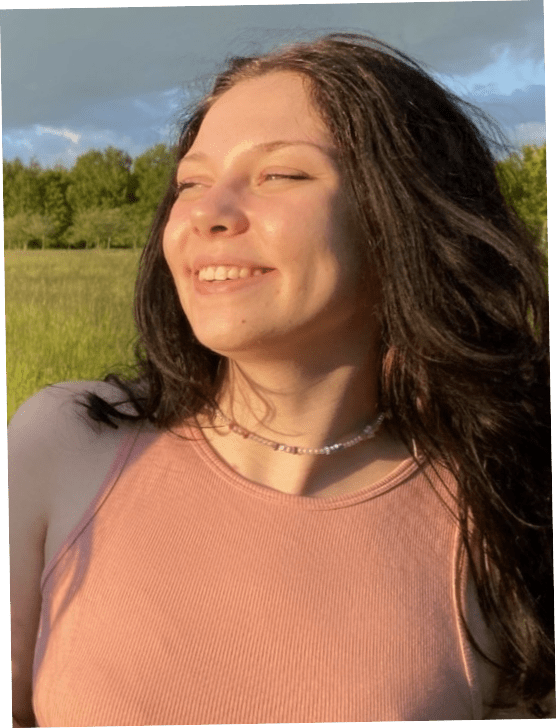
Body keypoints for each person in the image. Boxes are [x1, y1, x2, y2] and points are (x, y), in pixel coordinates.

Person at [9, 33, 553, 726]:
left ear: (402, 218)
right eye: (191, 183)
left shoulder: (504, 511)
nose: (206, 213)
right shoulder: (62, 445)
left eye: (280, 175)